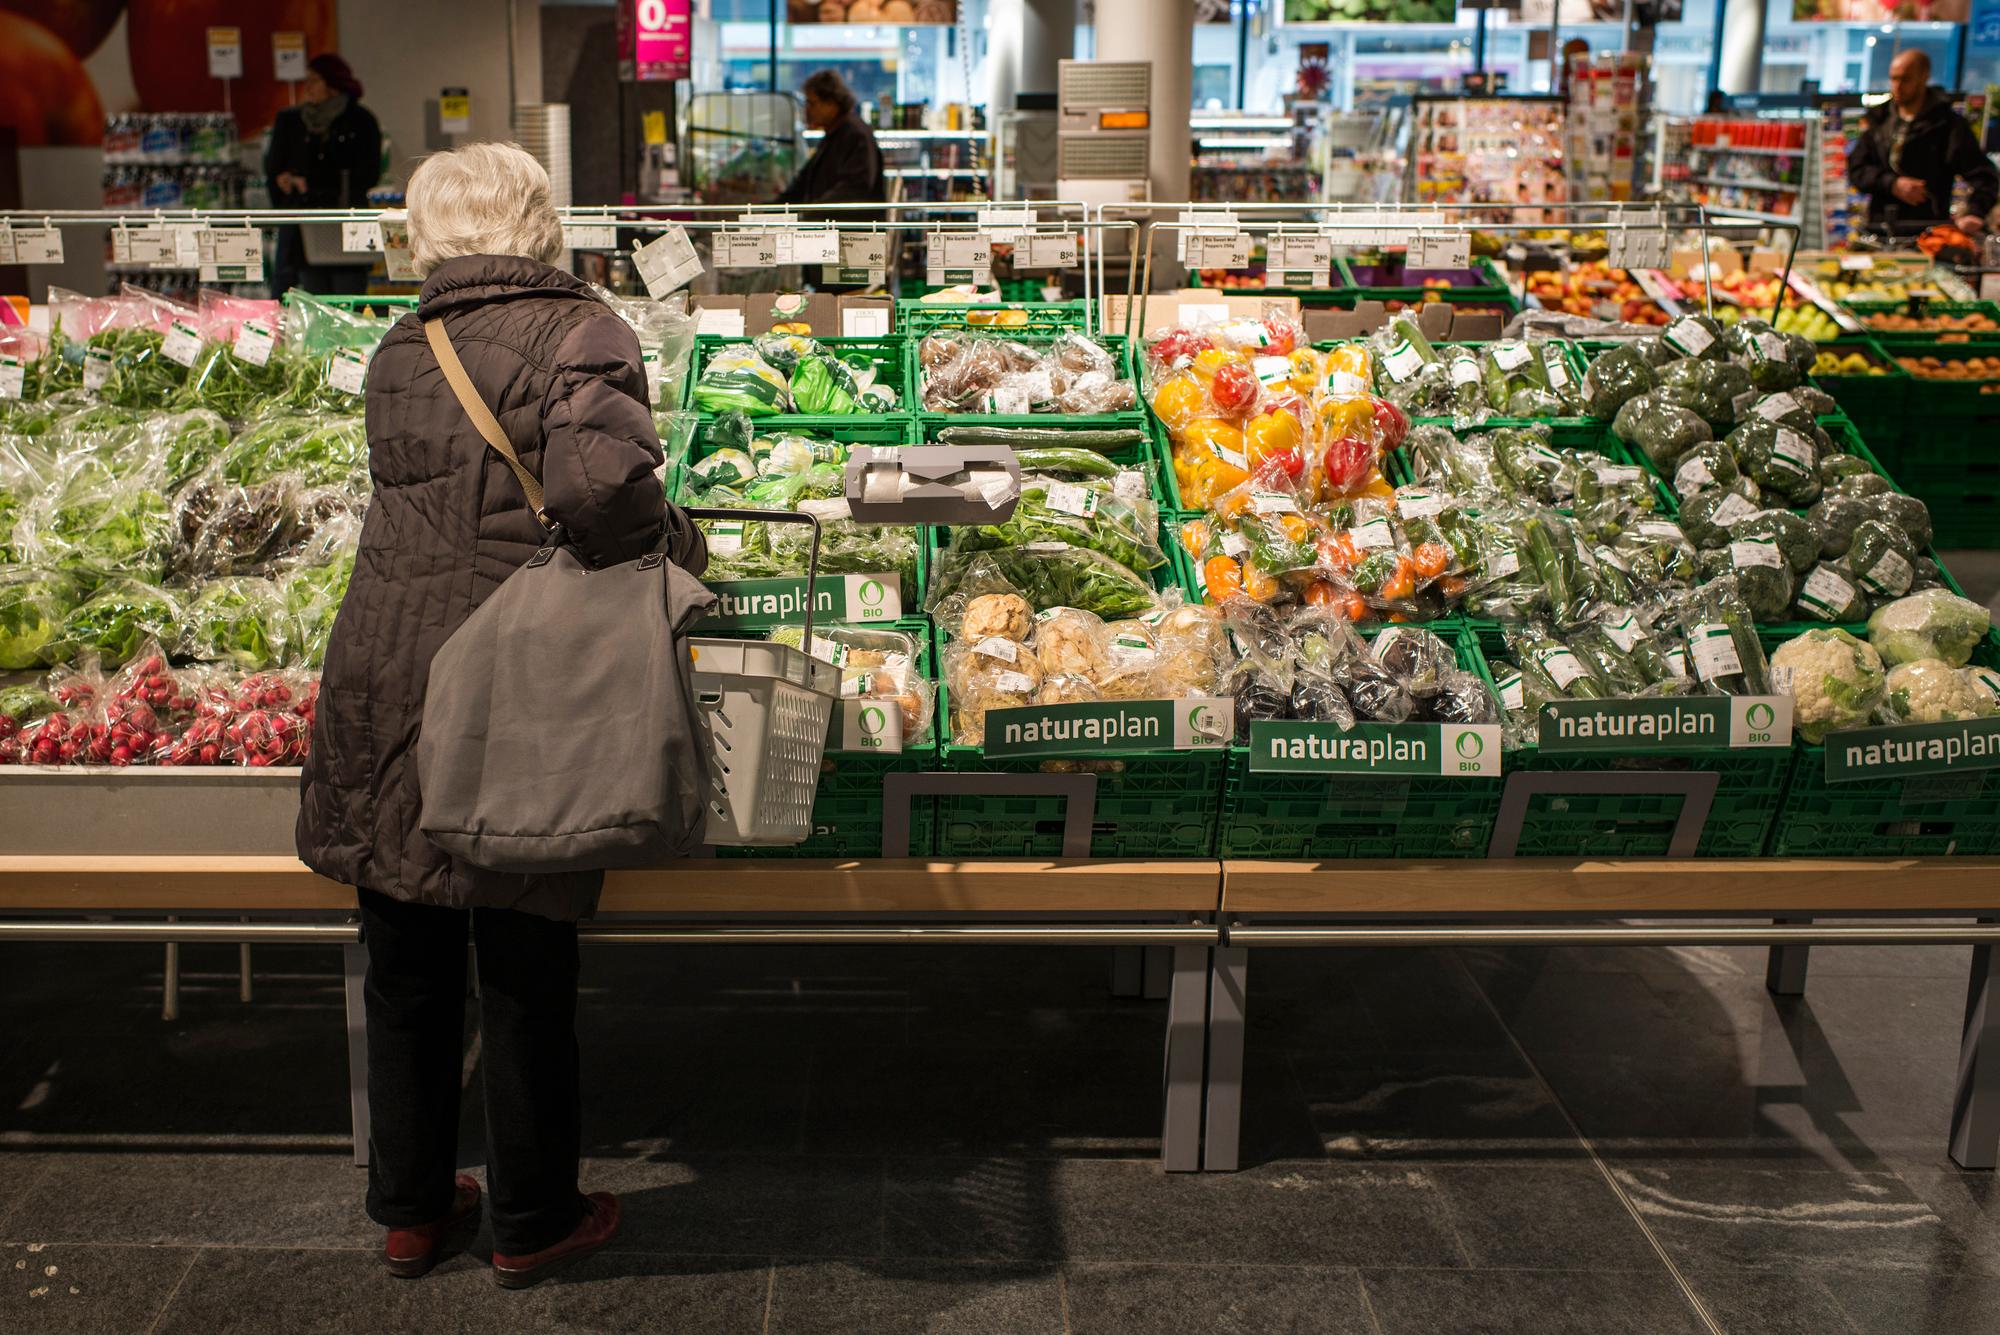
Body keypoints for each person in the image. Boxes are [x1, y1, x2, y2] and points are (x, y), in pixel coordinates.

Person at [295, 141, 705, 1289]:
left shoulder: (395, 344)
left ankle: (412, 1209)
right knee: (521, 954)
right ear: (539, 222)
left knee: (406, 953)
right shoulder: (580, 332)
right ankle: (532, 1216)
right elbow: (603, 492)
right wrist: (678, 549)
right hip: (514, 676)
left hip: (386, 660)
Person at [265, 53, 384, 295]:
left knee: (348, 295)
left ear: (333, 84)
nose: (307, 87)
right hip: (303, 222)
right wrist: (285, 181)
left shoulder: (361, 121)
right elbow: (273, 168)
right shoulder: (291, 121)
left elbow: (368, 173)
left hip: (345, 223)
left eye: (315, 80)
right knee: (313, 295)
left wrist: (313, 184)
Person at [1847, 49, 1997, 238]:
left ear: (1924, 77)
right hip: (1879, 230)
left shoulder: (1947, 124)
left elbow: (1984, 176)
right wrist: (1892, 183)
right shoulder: (1879, 119)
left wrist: (1975, 212)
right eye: (1894, 78)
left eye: (1905, 79)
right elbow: (1857, 169)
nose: (1898, 86)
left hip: (1929, 232)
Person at [776, 69, 885, 207]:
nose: (807, 111)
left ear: (831, 102)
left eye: (812, 104)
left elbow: (855, 188)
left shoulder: (855, 134)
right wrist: (769, 210)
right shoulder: (834, 134)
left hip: (848, 225)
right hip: (829, 223)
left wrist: (812, 212)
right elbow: (801, 185)